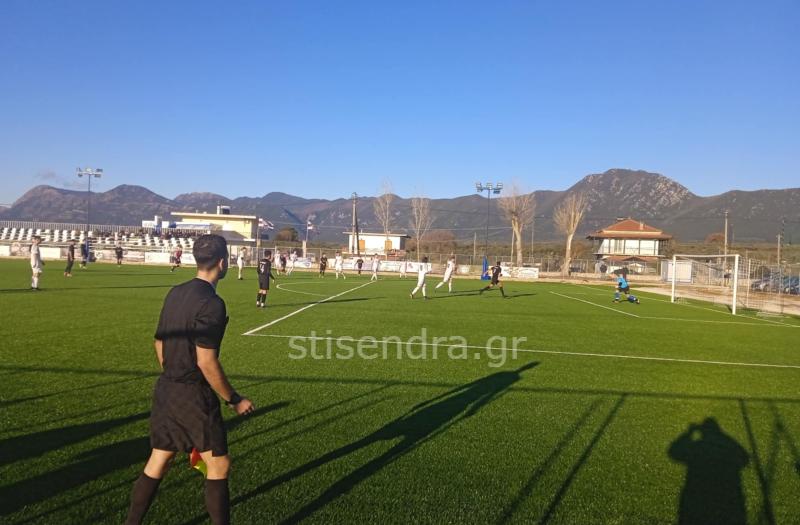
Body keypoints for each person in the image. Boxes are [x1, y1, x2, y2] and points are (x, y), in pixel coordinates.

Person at [124, 234, 254, 525]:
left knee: (160, 457)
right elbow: (205, 361)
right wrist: (234, 399)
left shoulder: (176, 292)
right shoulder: (212, 303)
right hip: (194, 395)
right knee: (219, 465)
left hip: (167, 389)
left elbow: (159, 342)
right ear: (223, 263)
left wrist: (173, 373)